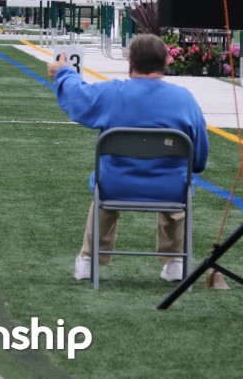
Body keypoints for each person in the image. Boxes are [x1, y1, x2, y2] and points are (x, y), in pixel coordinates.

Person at [47, 33, 209, 282]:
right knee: (179, 183)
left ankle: (89, 259)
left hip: (115, 186)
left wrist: (63, 73)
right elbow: (198, 160)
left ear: (130, 63)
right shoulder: (184, 99)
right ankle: (176, 260)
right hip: (170, 189)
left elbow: (79, 97)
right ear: (166, 63)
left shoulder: (113, 93)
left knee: (103, 191)